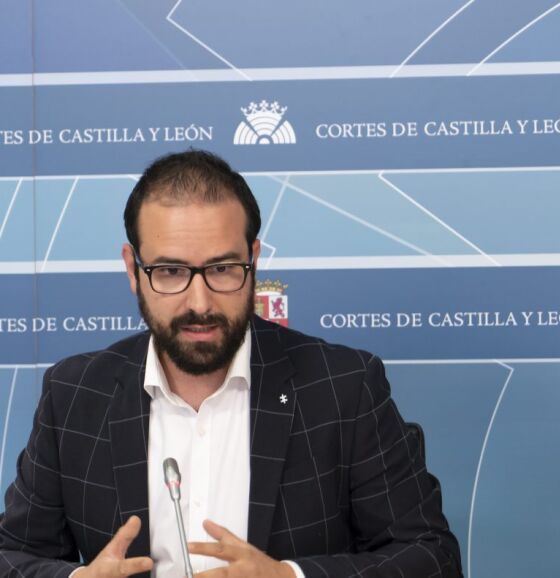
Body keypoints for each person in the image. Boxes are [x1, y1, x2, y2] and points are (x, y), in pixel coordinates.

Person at [0, 150, 463, 578]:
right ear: (132, 269)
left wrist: (290, 577)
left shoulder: (344, 387)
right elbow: (12, 556)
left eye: (222, 269)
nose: (199, 303)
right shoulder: (75, 394)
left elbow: (432, 557)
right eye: (170, 272)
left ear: (254, 261)